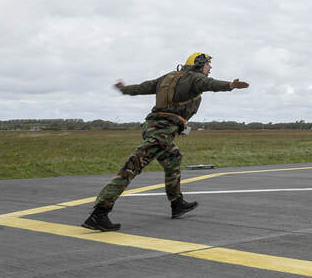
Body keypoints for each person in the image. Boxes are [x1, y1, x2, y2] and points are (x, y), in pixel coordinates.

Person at [82, 52, 249, 232]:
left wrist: (124, 89)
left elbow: (142, 87)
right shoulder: (196, 78)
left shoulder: (168, 77)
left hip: (152, 127)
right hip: (162, 132)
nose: (210, 68)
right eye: (208, 64)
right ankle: (99, 212)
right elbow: (211, 84)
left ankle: (177, 203)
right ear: (200, 64)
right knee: (131, 167)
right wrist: (230, 85)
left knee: (173, 158)